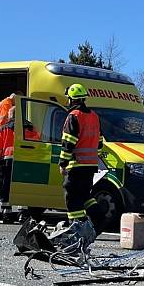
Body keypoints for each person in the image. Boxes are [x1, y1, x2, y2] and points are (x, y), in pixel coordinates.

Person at [58, 83, 105, 224]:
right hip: (90, 165)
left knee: (71, 196)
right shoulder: (94, 116)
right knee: (85, 195)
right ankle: (98, 219)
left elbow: (68, 142)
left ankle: (77, 225)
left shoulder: (74, 116)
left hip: (76, 164)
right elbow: (100, 142)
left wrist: (63, 163)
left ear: (72, 99)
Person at [0, 106, 17, 223]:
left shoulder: (3, 128)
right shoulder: (28, 127)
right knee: (20, 184)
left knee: (6, 185)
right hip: (23, 159)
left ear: (10, 115)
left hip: (7, 158)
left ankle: (6, 212)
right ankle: (23, 213)